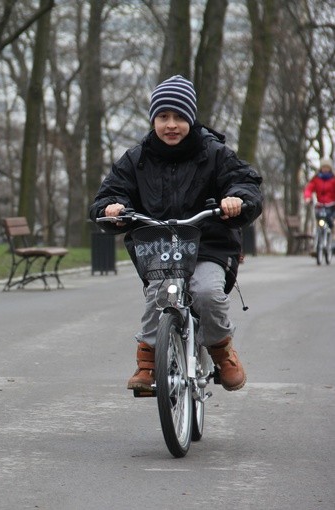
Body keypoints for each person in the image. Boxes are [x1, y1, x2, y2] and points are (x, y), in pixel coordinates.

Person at [89, 75, 263, 393]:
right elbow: (109, 194)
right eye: (164, 117)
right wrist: (113, 208)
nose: (172, 125)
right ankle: (147, 362)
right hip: (158, 245)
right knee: (162, 293)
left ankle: (223, 352)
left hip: (208, 242)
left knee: (207, 293)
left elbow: (245, 181)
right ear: (154, 119)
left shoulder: (214, 153)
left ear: (191, 119)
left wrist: (237, 198)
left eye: (180, 117)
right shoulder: (136, 159)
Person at [303, 158, 335, 229]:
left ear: (330, 168)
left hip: (331, 205)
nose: (325, 169)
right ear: (321, 168)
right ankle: (318, 234)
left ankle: (332, 233)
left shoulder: (333, 180)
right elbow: (309, 188)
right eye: (324, 167)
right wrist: (308, 197)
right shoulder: (316, 179)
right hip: (320, 205)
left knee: (330, 221)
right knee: (319, 219)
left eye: (327, 167)